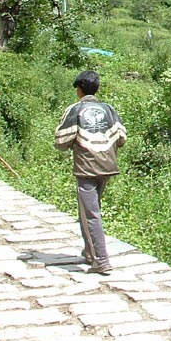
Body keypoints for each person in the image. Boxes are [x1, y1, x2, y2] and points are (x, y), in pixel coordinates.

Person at [54, 70, 126, 275]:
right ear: (97, 88)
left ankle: (101, 259)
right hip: (108, 165)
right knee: (89, 210)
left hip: (86, 167)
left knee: (91, 213)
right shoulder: (109, 109)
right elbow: (121, 137)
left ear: (79, 89)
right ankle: (89, 251)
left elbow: (61, 141)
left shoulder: (75, 110)